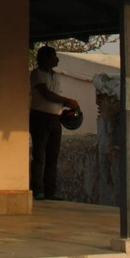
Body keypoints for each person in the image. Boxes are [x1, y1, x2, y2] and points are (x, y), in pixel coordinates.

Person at [29, 45, 80, 201]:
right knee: (39, 156)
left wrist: (68, 106)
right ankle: (38, 189)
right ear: (46, 58)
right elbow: (46, 94)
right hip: (40, 117)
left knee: (53, 156)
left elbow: (55, 97)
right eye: (54, 56)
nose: (57, 59)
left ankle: (50, 190)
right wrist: (67, 101)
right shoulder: (37, 74)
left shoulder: (56, 76)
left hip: (55, 117)